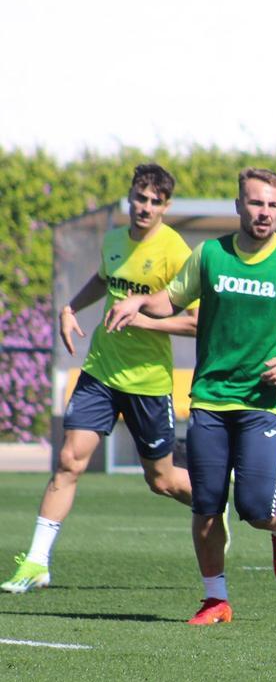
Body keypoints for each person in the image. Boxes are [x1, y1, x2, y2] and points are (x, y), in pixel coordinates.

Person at [106, 167, 276, 625]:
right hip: (210, 397)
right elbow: (171, 300)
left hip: (263, 402)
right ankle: (216, 599)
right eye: (255, 203)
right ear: (238, 206)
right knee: (206, 504)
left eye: (272, 205)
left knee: (252, 506)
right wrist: (137, 302)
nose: (264, 212)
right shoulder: (209, 255)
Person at [3, 164, 197, 594]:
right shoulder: (113, 240)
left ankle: (210, 503)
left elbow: (197, 322)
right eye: (139, 198)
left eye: (154, 201)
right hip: (100, 372)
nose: (144, 207)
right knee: (70, 460)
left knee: (162, 480)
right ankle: (36, 562)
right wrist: (71, 307)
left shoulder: (176, 251)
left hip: (147, 383)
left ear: (165, 206)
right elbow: (104, 279)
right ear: (129, 197)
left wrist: (142, 319)